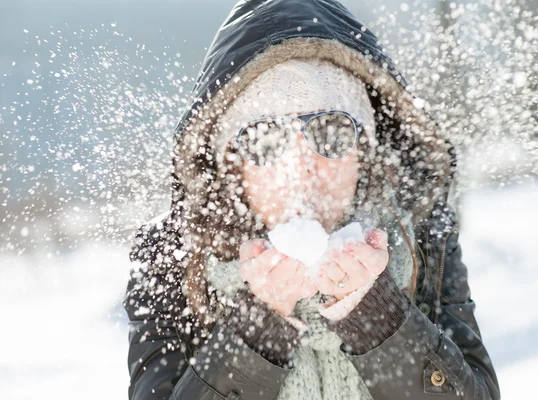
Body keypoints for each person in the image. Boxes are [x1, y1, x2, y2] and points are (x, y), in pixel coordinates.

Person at [123, 1, 500, 399]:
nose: (302, 167)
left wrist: (378, 315)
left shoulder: (421, 235)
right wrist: (258, 329)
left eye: (332, 131)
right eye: (265, 138)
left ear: (365, 152)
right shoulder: (173, 258)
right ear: (232, 167)